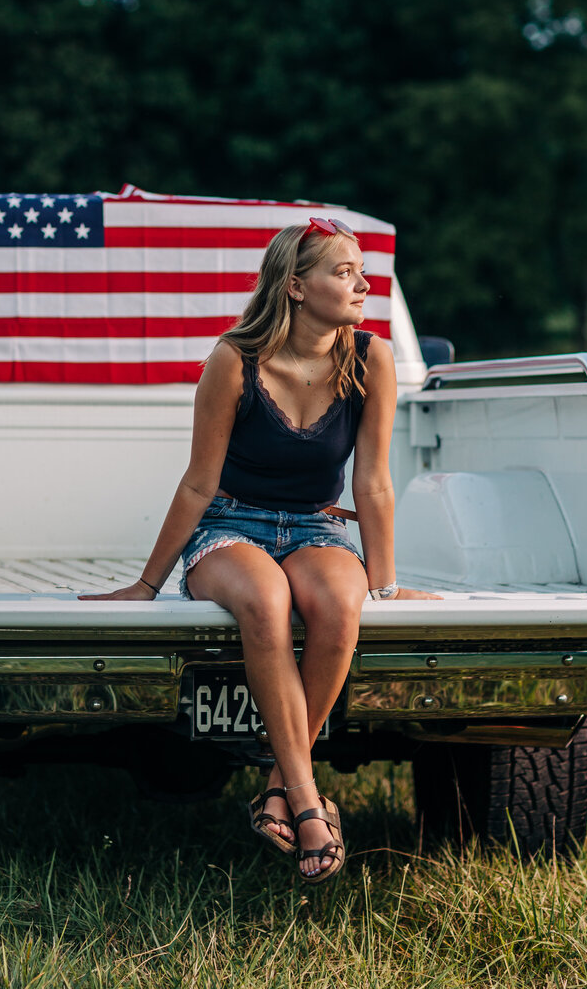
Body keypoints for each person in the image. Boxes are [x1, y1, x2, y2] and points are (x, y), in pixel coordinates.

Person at [79, 216, 440, 884]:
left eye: (362, 272)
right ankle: (307, 800)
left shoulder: (371, 358)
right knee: (267, 603)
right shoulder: (233, 359)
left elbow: (372, 480)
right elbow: (198, 480)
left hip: (315, 525)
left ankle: (280, 781)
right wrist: (147, 585)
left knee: (339, 603)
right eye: (344, 272)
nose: (362, 284)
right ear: (297, 286)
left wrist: (384, 586)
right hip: (229, 525)